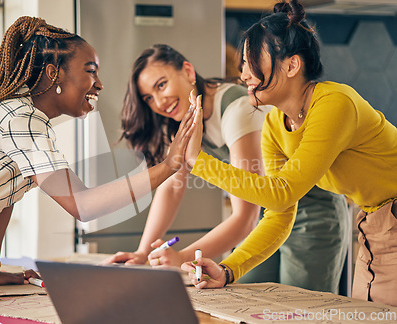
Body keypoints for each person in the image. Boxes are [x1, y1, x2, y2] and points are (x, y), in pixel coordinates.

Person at [0, 17, 199, 323]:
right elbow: (83, 205)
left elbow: (4, 196)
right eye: (90, 71)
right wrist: (169, 165)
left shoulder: (26, 118)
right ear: (54, 73)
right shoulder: (21, 119)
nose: (100, 84)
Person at [181, 0, 397, 307]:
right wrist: (228, 270)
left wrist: (198, 162)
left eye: (251, 61)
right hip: (374, 228)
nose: (243, 74)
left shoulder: (334, 103)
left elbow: (281, 193)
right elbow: (280, 213)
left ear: (292, 65)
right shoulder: (273, 123)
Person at [103, 44, 349, 295]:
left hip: (309, 216)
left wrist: (183, 258)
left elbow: (245, 216)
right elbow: (171, 189)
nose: (158, 102)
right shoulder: (180, 122)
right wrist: (143, 253)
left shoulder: (236, 109)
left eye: (161, 85)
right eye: (148, 98)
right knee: (249, 303)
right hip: (266, 220)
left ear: (188, 71)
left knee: (299, 312)